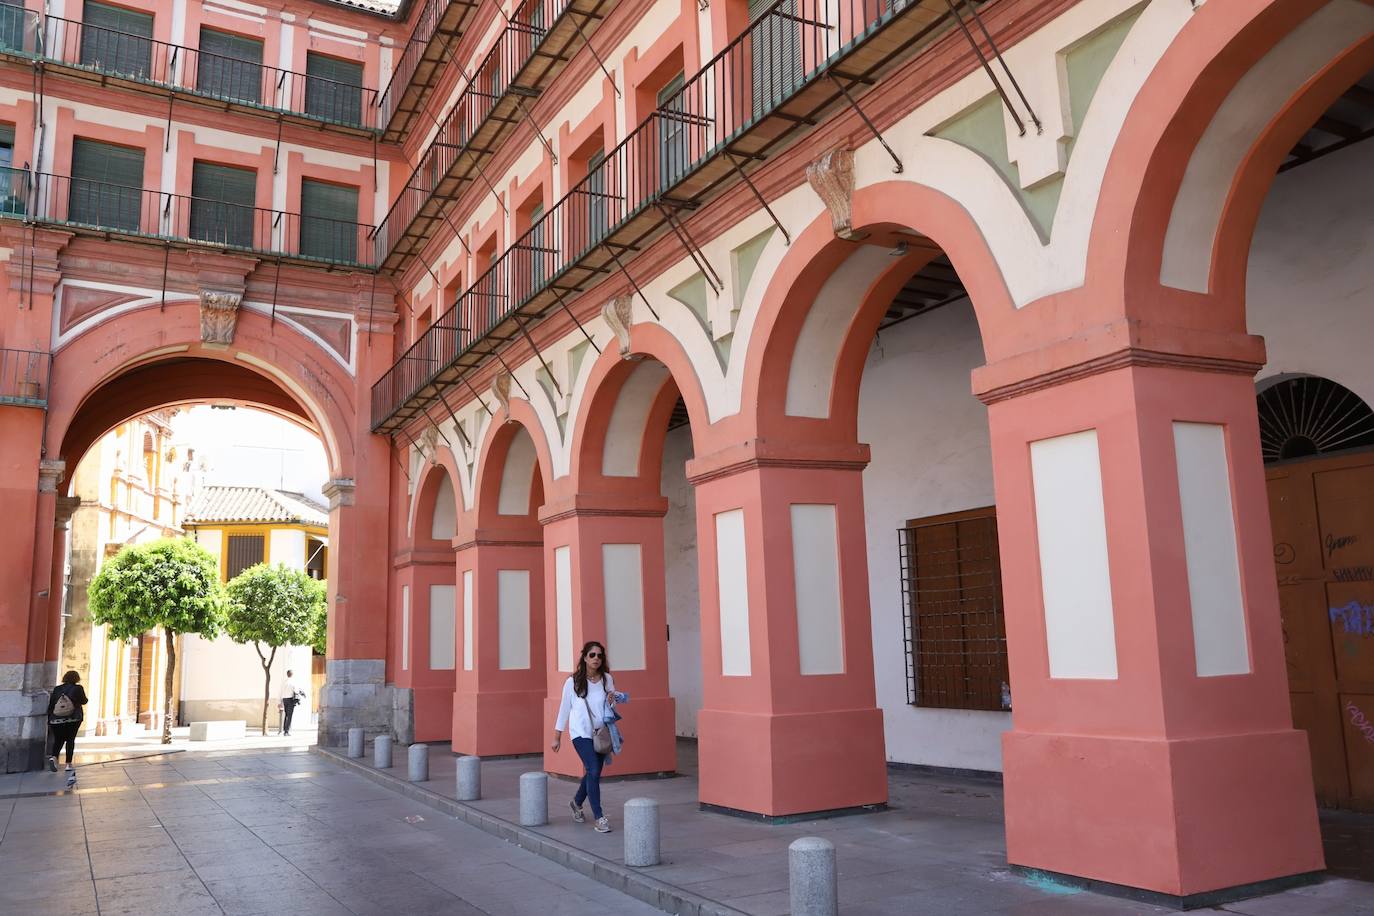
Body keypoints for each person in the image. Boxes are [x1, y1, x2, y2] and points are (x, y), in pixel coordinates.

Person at [551, 641, 622, 834]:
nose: (596, 658)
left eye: (599, 655)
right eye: (592, 655)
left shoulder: (607, 679)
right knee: (593, 768)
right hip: (580, 733)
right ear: (584, 658)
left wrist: (612, 701)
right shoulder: (573, 682)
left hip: (601, 733)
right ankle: (599, 817)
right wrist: (557, 736)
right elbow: (564, 709)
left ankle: (576, 803)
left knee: (594, 771)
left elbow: (611, 709)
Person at [47, 670, 87, 786]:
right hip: (73, 718)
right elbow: (84, 701)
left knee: (58, 739)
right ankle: (68, 764)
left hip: (56, 719)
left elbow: (51, 704)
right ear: (76, 678)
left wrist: (50, 718)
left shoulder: (57, 689)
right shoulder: (78, 688)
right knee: (70, 740)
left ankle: (54, 757)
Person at [279, 669, 304, 736]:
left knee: (286, 714)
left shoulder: (284, 682)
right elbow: (296, 691)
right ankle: (286, 731)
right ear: (292, 674)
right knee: (289, 715)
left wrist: (280, 701)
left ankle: (285, 729)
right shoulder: (293, 682)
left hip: (284, 699)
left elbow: (280, 692)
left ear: (287, 674)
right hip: (290, 699)